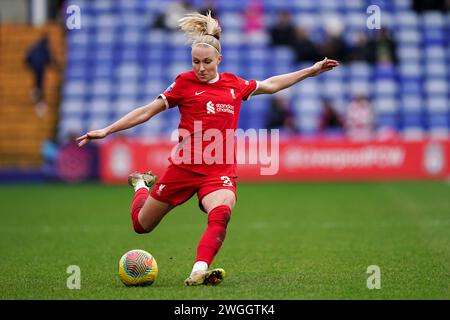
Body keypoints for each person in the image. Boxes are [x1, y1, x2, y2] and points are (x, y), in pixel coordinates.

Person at [77, 11, 338, 286]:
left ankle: (199, 269)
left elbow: (272, 85)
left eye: (206, 62)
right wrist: (107, 130)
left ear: (219, 60)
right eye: (195, 62)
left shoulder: (234, 85)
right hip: (184, 167)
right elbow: (146, 112)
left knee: (222, 211)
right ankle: (141, 185)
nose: (200, 68)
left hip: (218, 171)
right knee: (141, 226)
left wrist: (311, 70)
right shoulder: (183, 83)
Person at [24, 34, 59, 117]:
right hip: (39, 69)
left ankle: (36, 94)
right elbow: (50, 59)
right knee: (40, 84)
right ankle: (39, 100)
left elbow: (27, 58)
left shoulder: (34, 48)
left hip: (37, 69)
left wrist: (29, 65)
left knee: (38, 83)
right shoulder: (44, 48)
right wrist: (56, 67)